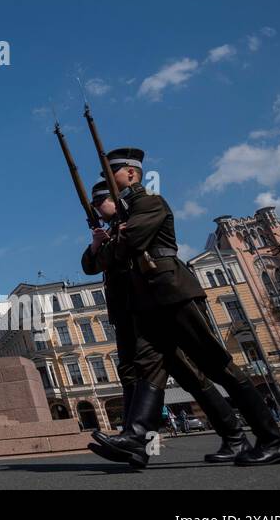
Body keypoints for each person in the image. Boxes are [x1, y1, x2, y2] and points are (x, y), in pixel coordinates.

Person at [89, 147, 280, 466]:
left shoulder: (150, 203)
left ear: (131, 173)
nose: (106, 183)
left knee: (216, 365)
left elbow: (129, 245)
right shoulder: (127, 217)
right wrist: (112, 242)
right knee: (149, 367)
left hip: (173, 294)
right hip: (149, 303)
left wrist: (117, 242)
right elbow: (103, 259)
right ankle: (136, 437)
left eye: (110, 175)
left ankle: (271, 440)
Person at [83, 180, 248, 467]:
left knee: (187, 372)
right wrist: (98, 244)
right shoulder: (112, 231)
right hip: (127, 311)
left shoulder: (137, 218)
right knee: (134, 373)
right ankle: (137, 445)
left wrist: (110, 245)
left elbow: (123, 252)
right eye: (95, 205)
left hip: (156, 305)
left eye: (101, 202)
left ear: (115, 199)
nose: (98, 209)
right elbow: (91, 266)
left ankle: (236, 436)